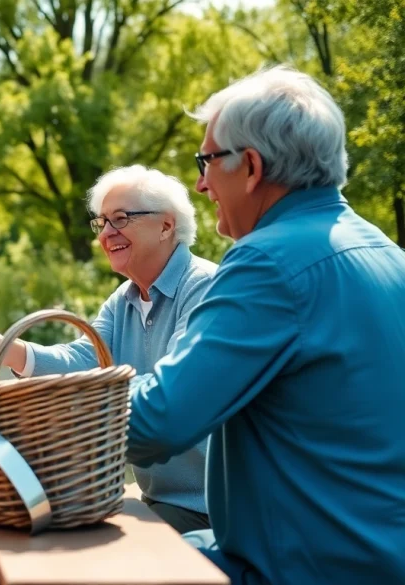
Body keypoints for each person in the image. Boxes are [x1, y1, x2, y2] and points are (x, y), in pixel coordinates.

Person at [127, 65, 405, 584]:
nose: (200, 183)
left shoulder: (267, 262)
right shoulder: (387, 254)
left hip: (305, 567)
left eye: (206, 161)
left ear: (250, 166)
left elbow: (154, 423)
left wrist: (41, 406)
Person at [0, 165, 217, 534]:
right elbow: (86, 360)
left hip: (206, 508)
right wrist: (7, 351)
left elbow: (171, 392)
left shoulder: (204, 287)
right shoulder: (125, 299)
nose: (107, 234)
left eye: (121, 219)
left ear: (166, 226)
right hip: (159, 500)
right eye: (102, 223)